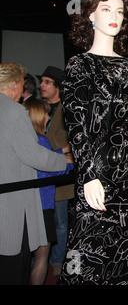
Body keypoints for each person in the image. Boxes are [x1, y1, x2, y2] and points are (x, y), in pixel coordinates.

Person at [58, 0, 128, 285]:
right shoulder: (79, 65)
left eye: (120, 12)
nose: (115, 16)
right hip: (98, 180)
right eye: (107, 9)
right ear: (90, 16)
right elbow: (77, 126)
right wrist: (89, 174)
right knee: (88, 256)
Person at [0, 62, 67, 285]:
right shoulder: (15, 112)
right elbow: (34, 156)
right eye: (22, 84)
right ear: (13, 84)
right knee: (14, 264)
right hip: (12, 199)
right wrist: (64, 160)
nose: (24, 90)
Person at [23, 99, 74, 285]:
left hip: (24, 204)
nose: (48, 117)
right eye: (45, 114)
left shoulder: (24, 139)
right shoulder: (41, 139)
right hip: (42, 205)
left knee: (24, 256)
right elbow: (49, 168)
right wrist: (69, 161)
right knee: (42, 255)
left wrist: (61, 152)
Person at [38, 65, 74, 278]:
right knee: (38, 220)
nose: (42, 85)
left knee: (60, 222)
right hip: (37, 174)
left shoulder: (69, 108)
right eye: (41, 82)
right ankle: (37, 259)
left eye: (47, 82)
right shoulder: (34, 106)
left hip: (60, 175)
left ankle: (58, 260)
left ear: (58, 87)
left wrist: (67, 152)